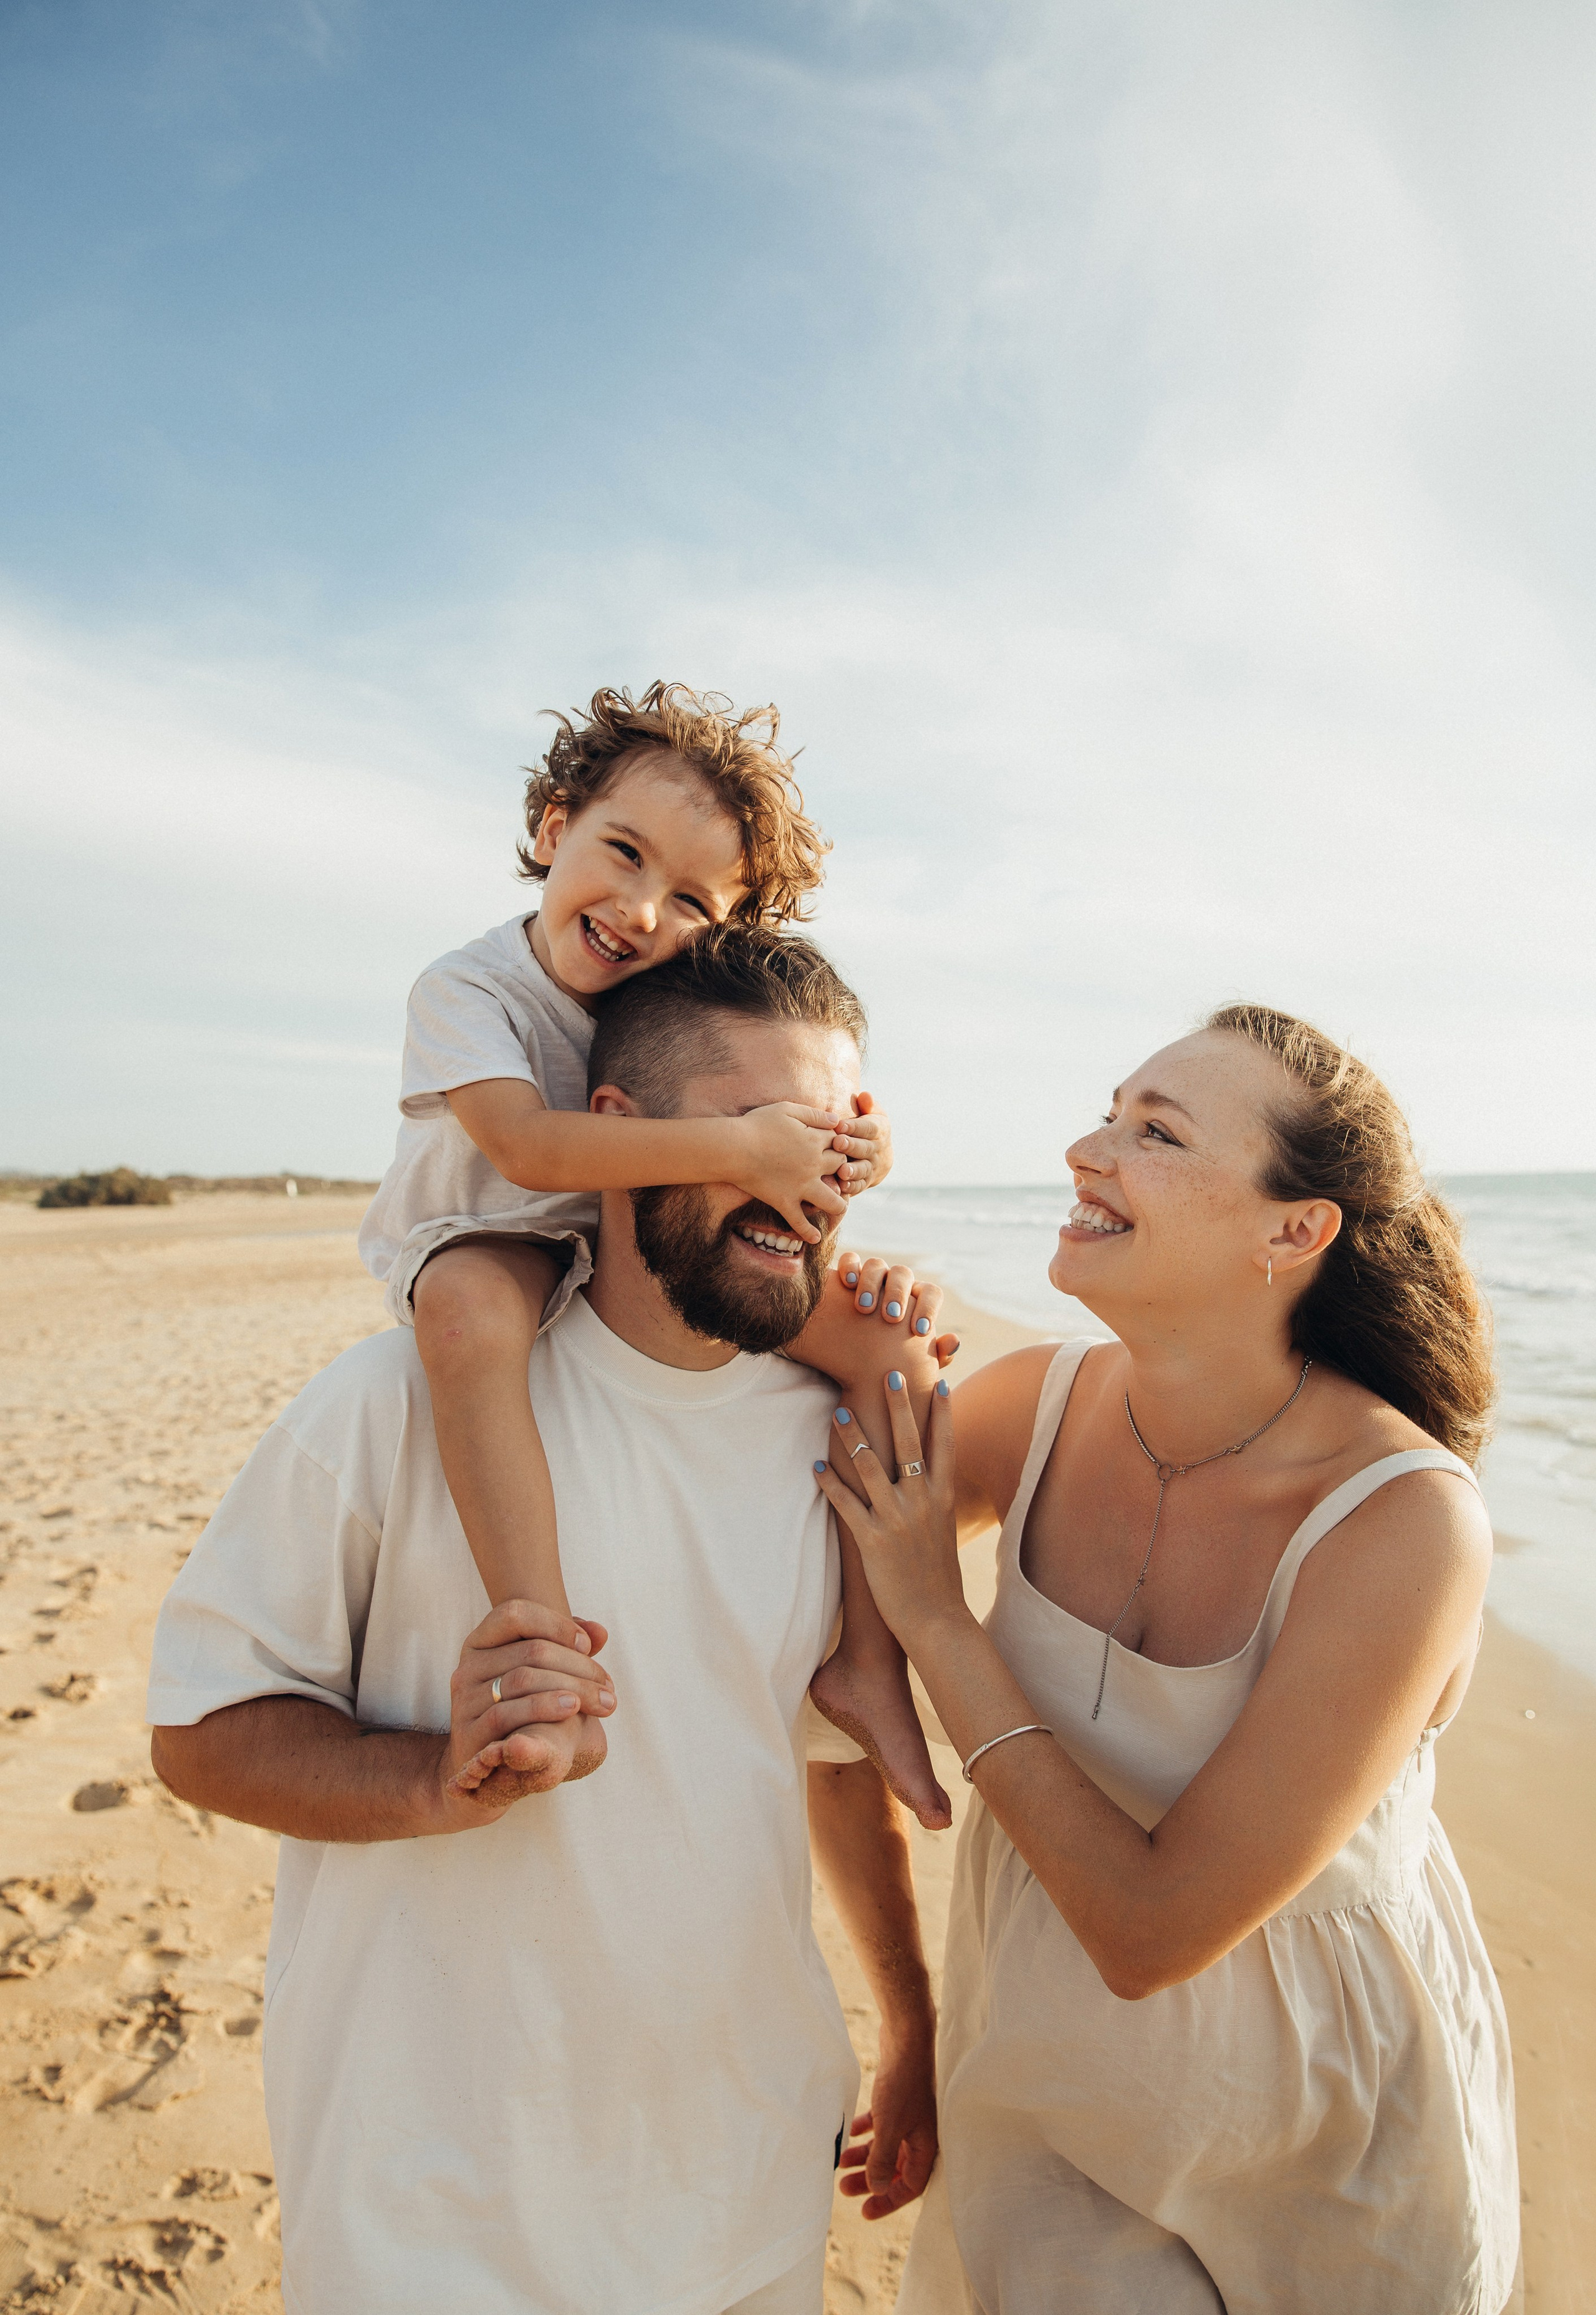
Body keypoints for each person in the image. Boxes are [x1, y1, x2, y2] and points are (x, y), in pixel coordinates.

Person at [147, 926, 946, 2315]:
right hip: (441, 2206)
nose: (796, 1178)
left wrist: (912, 2020)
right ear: (614, 1135)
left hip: (741, 2180)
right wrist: (427, 1779)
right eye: (750, 1131)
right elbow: (200, 1729)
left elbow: (817, 1768)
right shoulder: (396, 1401)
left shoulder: (841, 1435)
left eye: (824, 1139)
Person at [814, 1005, 1519, 2314]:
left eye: (1156, 1133)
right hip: (1039, 2090)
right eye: (1110, 1111)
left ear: (1290, 1232)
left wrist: (936, 1627)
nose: (1089, 1149)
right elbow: (804, 1459)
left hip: (1320, 2148)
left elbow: (1152, 1931)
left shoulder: (1401, 1521)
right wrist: (874, 1320)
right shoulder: (1033, 1407)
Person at [357, 680, 950, 1828]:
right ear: (551, 828)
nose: (639, 908)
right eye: (621, 852)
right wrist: (742, 1140)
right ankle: (542, 1644)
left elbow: (764, 1123)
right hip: (484, 1235)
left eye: (690, 899)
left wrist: (850, 1156)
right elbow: (527, 1148)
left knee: (889, 1348)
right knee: (472, 1322)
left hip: (612, 1237)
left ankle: (871, 1660)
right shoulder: (468, 987)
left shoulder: (666, 1001)